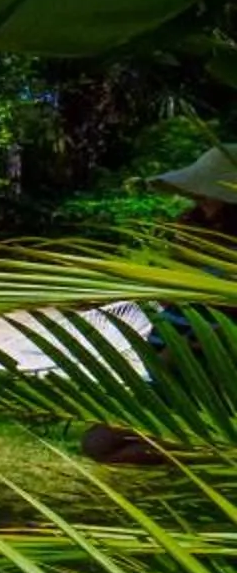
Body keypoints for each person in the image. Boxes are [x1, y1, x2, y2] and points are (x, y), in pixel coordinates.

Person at [80, 146, 237, 464]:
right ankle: (209, 450)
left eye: (206, 194)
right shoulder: (198, 232)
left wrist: (183, 351)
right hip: (173, 368)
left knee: (106, 447)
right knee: (97, 442)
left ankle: (215, 452)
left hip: (206, 371)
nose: (198, 199)